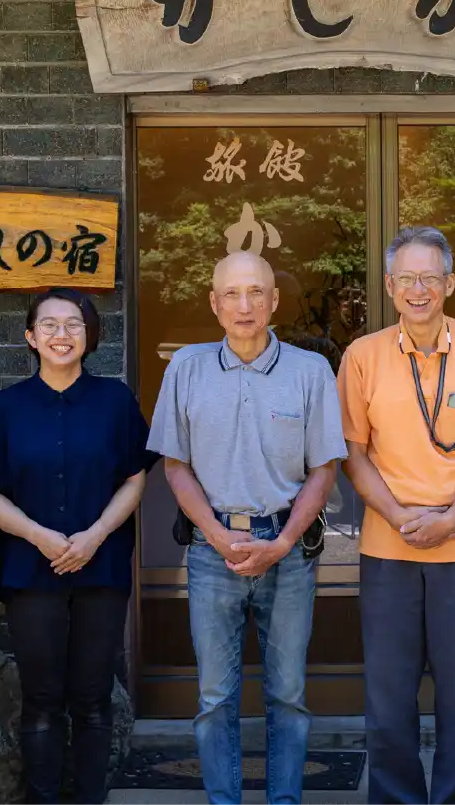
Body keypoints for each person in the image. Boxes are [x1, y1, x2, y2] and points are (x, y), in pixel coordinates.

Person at [149, 251, 347, 805]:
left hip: (288, 549)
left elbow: (324, 468)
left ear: (274, 301)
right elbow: (175, 465)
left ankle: (284, 800)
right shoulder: (185, 367)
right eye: (231, 294)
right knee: (215, 697)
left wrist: (282, 542)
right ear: (214, 304)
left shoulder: (309, 372)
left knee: (287, 695)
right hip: (215, 552)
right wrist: (214, 533)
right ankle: (223, 800)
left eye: (256, 292)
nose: (244, 305)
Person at [338, 227, 455, 805]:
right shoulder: (361, 356)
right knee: (389, 698)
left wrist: (451, 518)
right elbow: (353, 454)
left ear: (450, 283)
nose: (419, 289)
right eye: (407, 278)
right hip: (387, 549)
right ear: (391, 286)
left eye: (430, 278)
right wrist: (397, 515)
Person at [0, 288, 156, 805]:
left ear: (89, 335)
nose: (61, 334)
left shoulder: (114, 401)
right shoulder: (6, 407)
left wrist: (96, 535)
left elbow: (134, 478)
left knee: (94, 696)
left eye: (73, 324)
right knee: (42, 699)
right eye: (49, 325)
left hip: (101, 571)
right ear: (30, 337)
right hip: (31, 573)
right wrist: (39, 535)